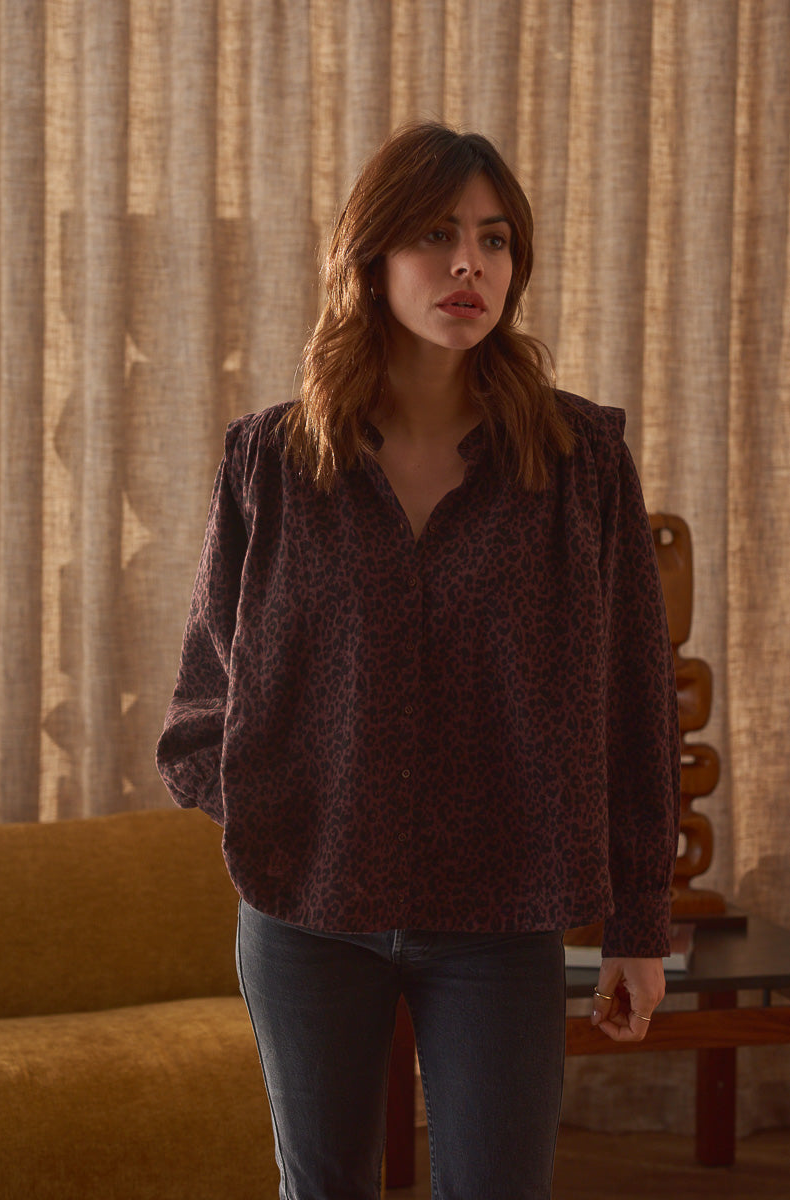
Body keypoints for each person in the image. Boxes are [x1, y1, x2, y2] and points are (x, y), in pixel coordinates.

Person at [156, 121, 680, 1200]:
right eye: (435, 235)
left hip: (503, 920)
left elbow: (636, 704)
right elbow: (204, 696)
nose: (467, 265)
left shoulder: (582, 462)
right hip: (307, 917)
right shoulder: (271, 462)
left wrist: (639, 925)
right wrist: (283, 809)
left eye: (493, 239)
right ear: (370, 257)